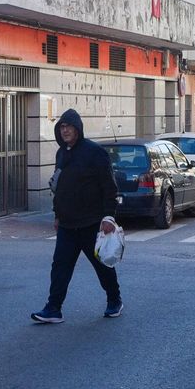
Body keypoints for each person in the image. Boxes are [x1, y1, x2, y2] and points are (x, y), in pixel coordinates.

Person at [31, 109, 122, 324]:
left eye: (68, 127)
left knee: (102, 265)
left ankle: (114, 299)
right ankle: (53, 308)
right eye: (61, 127)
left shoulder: (95, 152)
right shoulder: (61, 154)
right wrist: (57, 215)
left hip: (91, 223)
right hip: (67, 225)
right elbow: (59, 187)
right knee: (60, 267)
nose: (64, 131)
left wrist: (108, 217)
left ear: (77, 128)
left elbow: (109, 187)